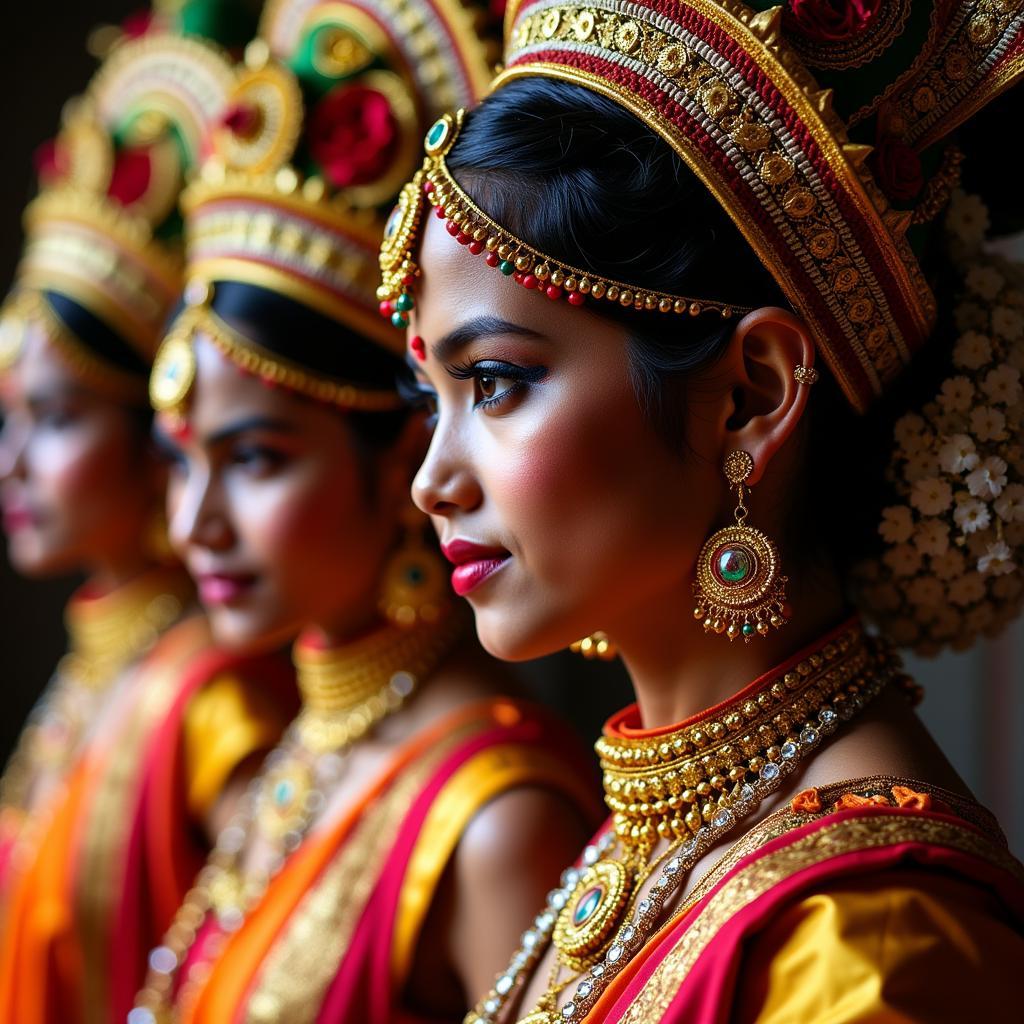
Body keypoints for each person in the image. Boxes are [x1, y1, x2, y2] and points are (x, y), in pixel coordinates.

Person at [379, 0, 1024, 1019]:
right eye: (434, 398)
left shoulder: (871, 934)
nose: (432, 481)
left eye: (496, 382)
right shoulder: (659, 834)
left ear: (751, 396)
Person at [128, 3, 600, 1022]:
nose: (194, 525)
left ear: (397, 466)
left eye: (254, 458)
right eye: (181, 462)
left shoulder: (498, 813)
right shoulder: (304, 749)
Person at [0, 8, 296, 1022]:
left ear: (153, 429)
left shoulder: (216, 701)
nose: (12, 465)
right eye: (8, 421)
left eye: (54, 418)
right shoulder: (101, 666)